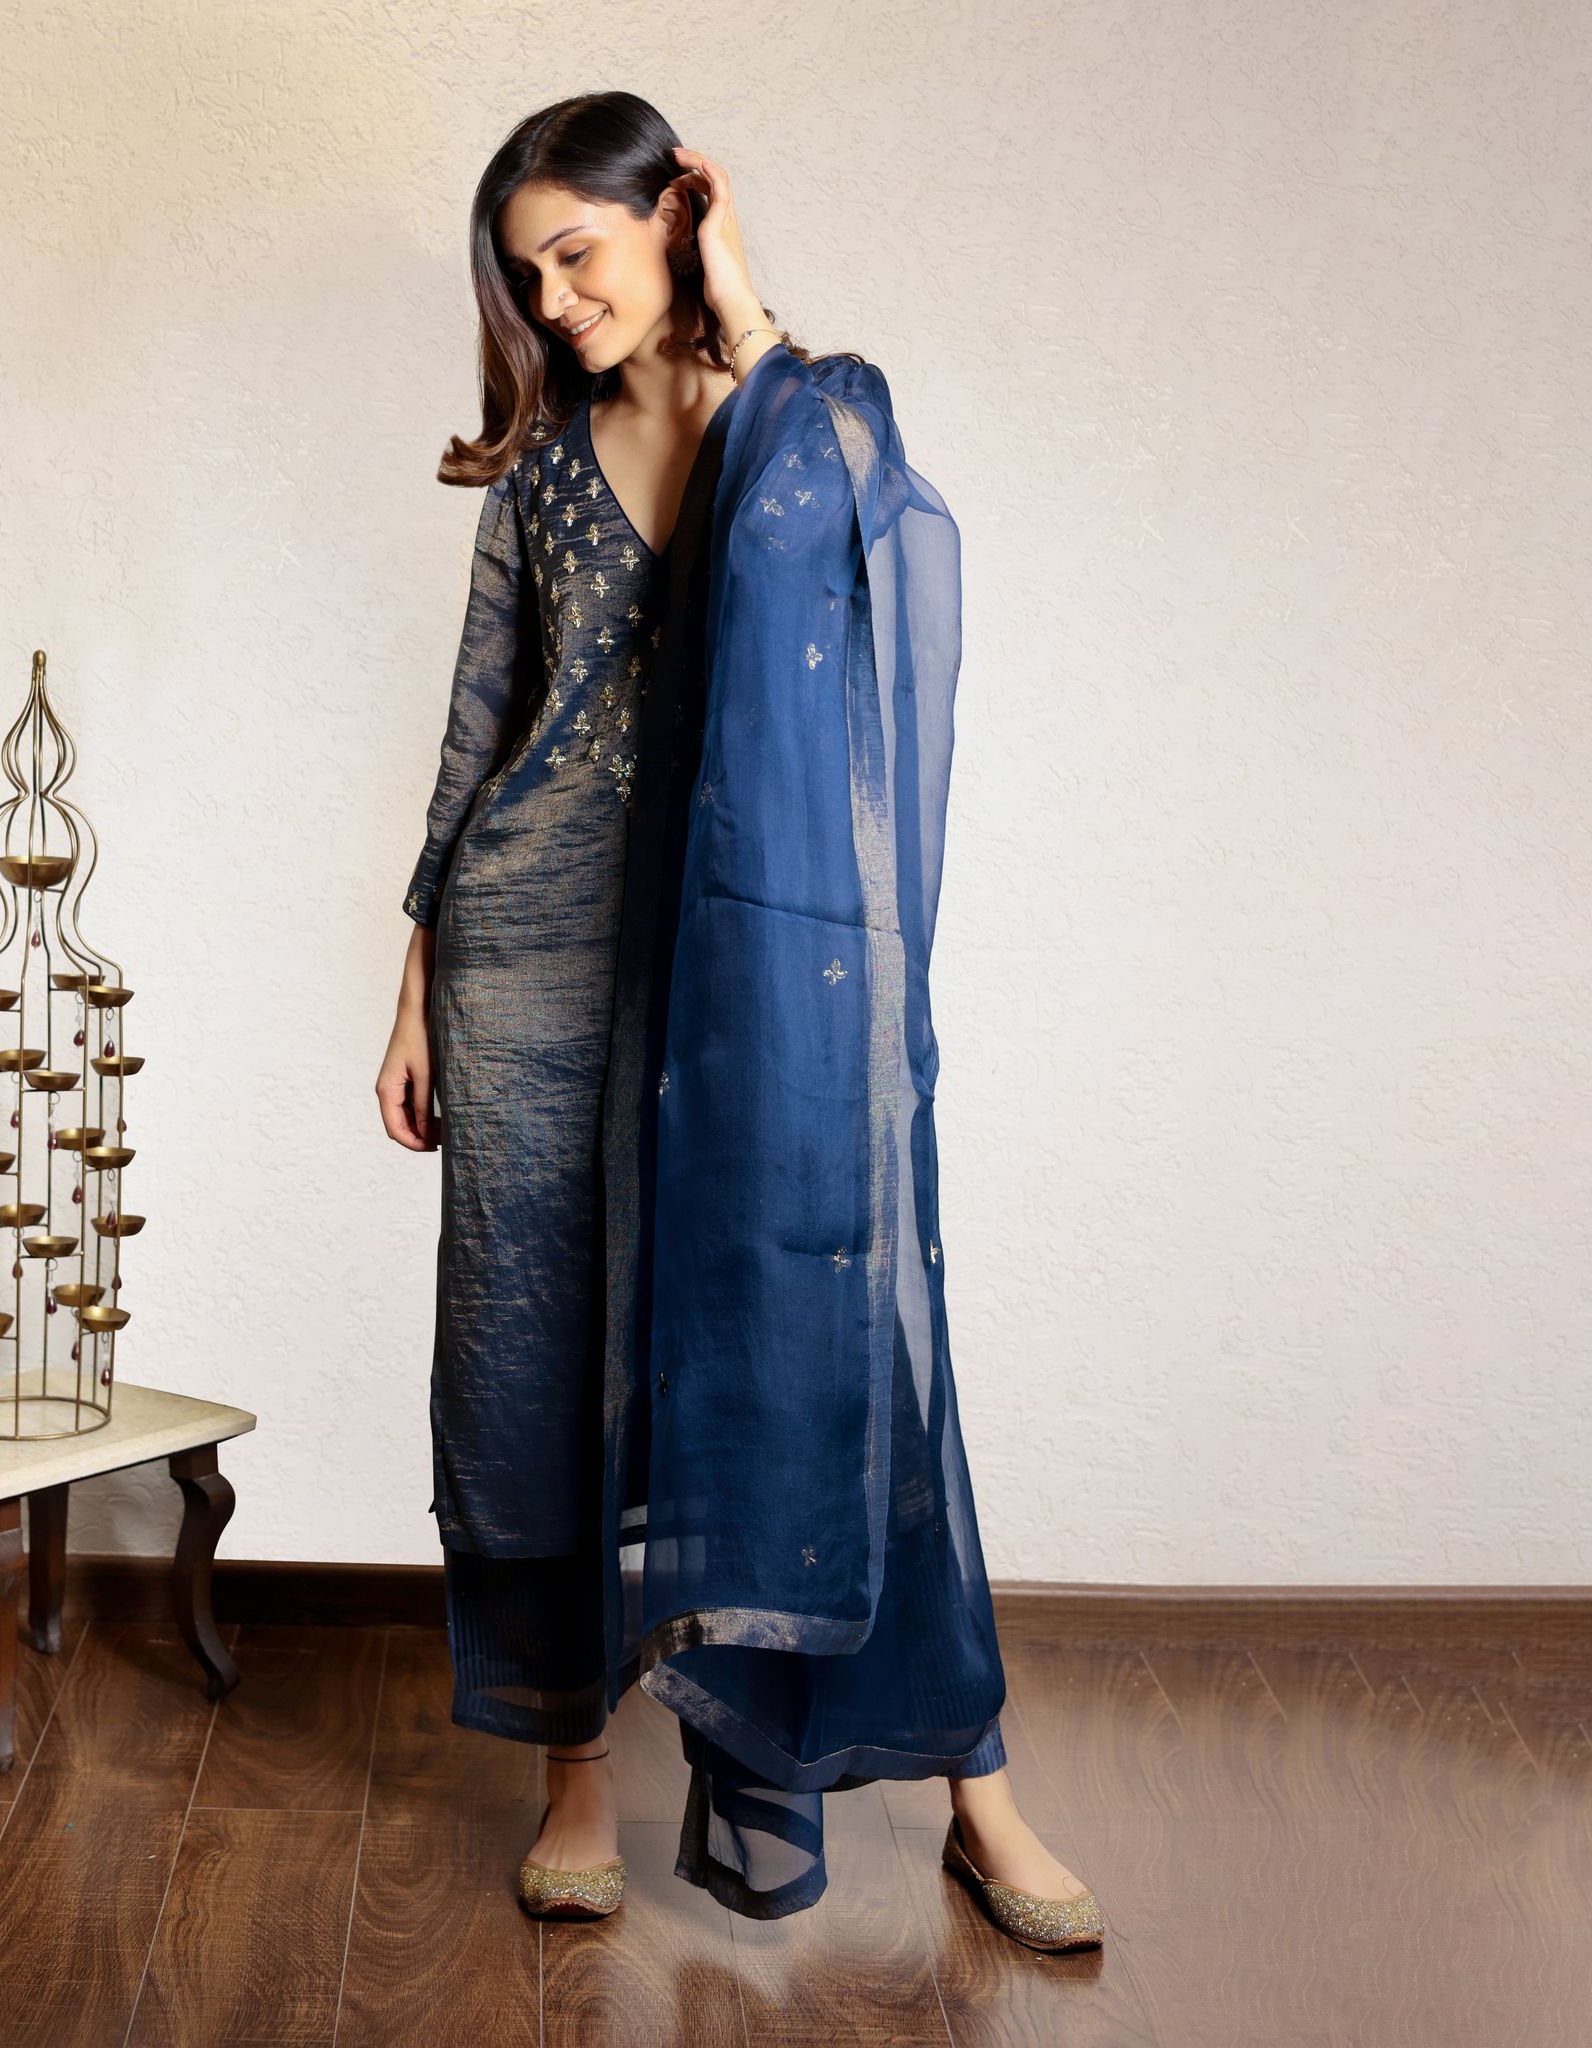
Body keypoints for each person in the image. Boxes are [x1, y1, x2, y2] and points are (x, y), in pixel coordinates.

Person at [375, 90, 1103, 1951]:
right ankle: (571, 1777)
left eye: (579, 253)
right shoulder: (538, 477)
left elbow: (883, 543)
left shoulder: (813, 417)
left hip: (756, 976)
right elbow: (478, 732)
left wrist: (747, 307)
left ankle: (977, 1786)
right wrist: (416, 988)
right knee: (538, 1362)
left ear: (674, 216)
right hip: (533, 964)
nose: (556, 302)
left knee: (848, 1346)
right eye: (526, 276)